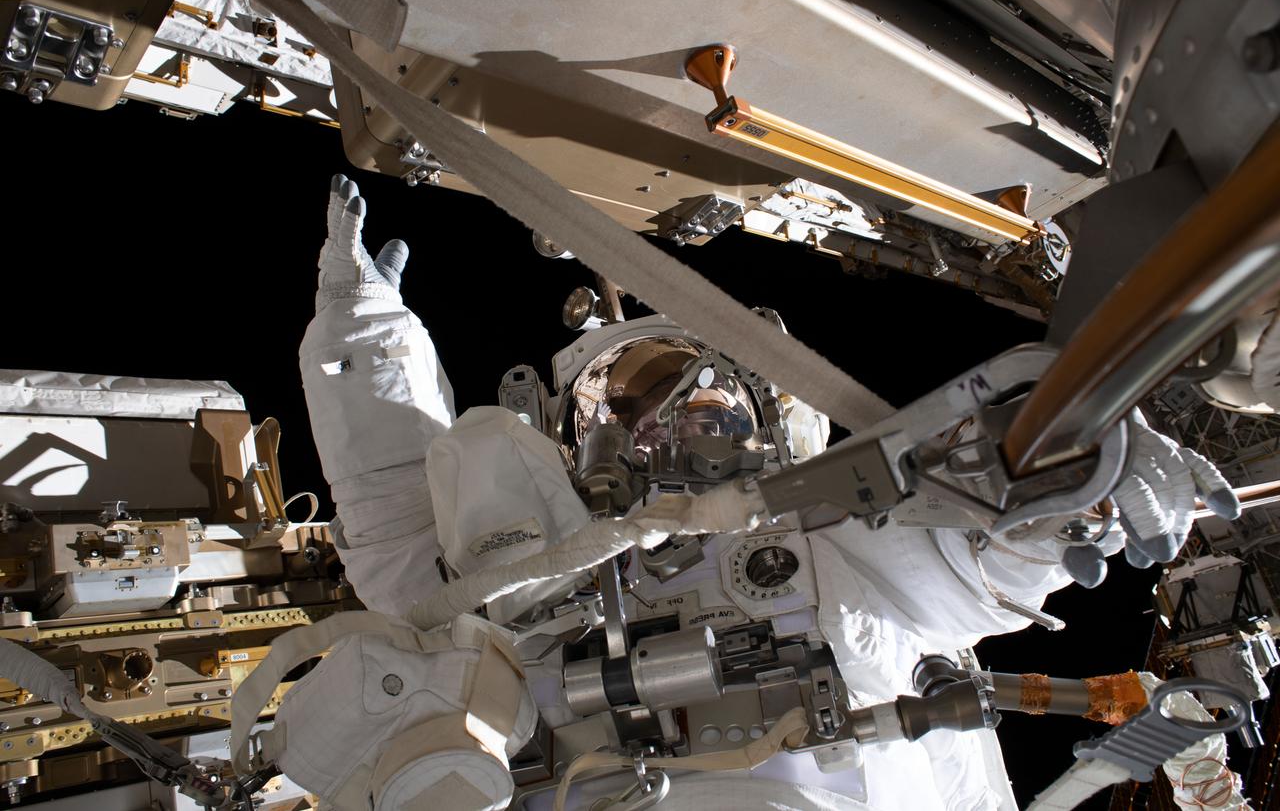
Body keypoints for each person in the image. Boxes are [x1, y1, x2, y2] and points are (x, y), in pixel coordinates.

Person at [274, 175, 1237, 811]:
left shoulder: (831, 537)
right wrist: (361, 331)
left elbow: (968, 545)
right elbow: (402, 515)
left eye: (678, 393)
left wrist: (1075, 471)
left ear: (754, 410)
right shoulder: (526, 585)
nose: (656, 429)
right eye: (620, 407)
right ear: (569, 441)